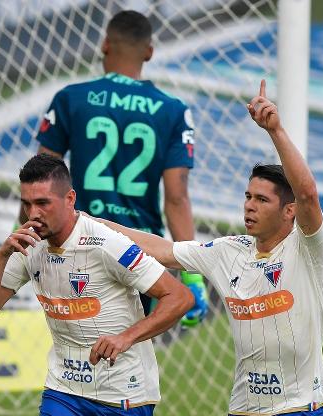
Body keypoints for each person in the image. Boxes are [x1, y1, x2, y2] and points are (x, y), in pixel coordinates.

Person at [93, 80, 323, 416]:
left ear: (288, 211)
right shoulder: (227, 251)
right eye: (248, 197)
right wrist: (87, 224)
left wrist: (275, 130)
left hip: (300, 409)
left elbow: (307, 193)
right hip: (243, 410)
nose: (249, 206)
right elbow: (161, 249)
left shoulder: (308, 248)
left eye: (262, 200)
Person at [0, 154, 194, 416]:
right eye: (27, 204)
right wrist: (2, 255)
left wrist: (126, 337)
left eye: (43, 203)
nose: (33, 214)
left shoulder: (106, 243)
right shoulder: (28, 244)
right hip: (64, 390)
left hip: (123, 395)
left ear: (70, 199)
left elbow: (179, 297)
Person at [28, 10, 207, 323]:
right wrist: (192, 276)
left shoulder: (72, 99)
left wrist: (25, 241)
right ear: (149, 52)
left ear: (105, 44)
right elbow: (176, 196)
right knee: (128, 349)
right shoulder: (173, 110)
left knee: (78, 346)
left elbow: (41, 179)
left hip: (79, 240)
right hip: (140, 249)